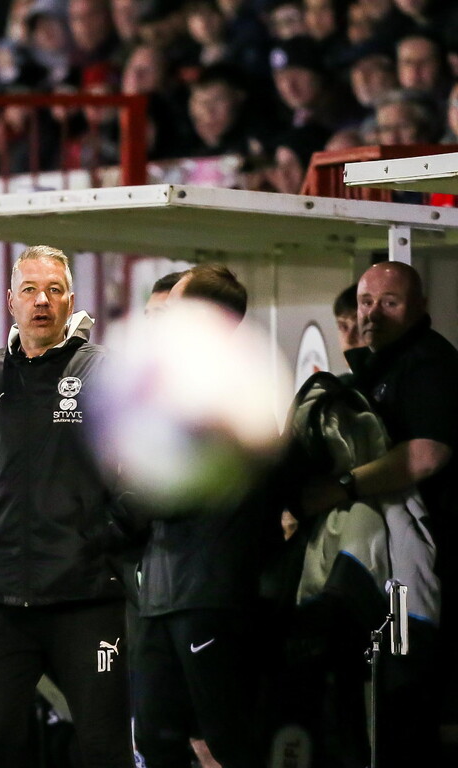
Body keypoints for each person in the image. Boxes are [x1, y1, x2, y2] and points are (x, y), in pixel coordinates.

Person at [0, 245, 132, 768]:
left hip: (87, 599)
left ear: (70, 301)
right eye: (29, 290)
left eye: (53, 290)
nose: (41, 301)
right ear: (10, 301)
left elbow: (139, 471)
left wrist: (103, 536)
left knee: (104, 749)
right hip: (3, 602)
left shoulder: (102, 373)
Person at [300, 260, 458, 766]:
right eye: (366, 302)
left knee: (409, 696)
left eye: (389, 303)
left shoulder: (428, 363)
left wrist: (341, 488)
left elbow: (426, 453)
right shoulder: (375, 366)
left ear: (419, 309)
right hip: (384, 560)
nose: (372, 314)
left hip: (427, 556)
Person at [130, 264, 281, 768]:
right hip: (160, 593)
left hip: (209, 591)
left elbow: (173, 488)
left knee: (226, 739)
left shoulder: (232, 387)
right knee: (155, 738)